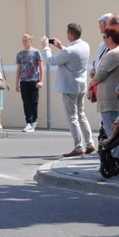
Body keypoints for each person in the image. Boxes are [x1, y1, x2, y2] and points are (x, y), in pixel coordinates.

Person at [43, 24, 93, 156]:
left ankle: (78, 147)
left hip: (70, 87)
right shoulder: (84, 46)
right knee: (81, 115)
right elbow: (72, 56)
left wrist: (46, 47)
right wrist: (60, 47)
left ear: (70, 34)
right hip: (81, 85)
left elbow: (51, 60)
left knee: (72, 118)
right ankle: (90, 144)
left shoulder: (69, 51)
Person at [88, 27, 119, 164]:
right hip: (108, 97)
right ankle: (116, 158)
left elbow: (101, 74)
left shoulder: (113, 53)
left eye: (104, 37)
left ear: (110, 39)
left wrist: (89, 85)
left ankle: (117, 159)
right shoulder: (114, 52)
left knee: (112, 132)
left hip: (109, 98)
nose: (103, 39)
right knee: (112, 129)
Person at [15, 33, 45, 132]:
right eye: (23, 40)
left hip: (33, 80)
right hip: (24, 80)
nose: (24, 42)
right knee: (26, 102)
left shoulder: (36, 52)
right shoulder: (20, 54)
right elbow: (18, 69)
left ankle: (33, 122)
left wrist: (41, 80)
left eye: (26, 40)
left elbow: (41, 66)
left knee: (34, 102)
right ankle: (29, 122)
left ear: (30, 41)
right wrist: (17, 82)